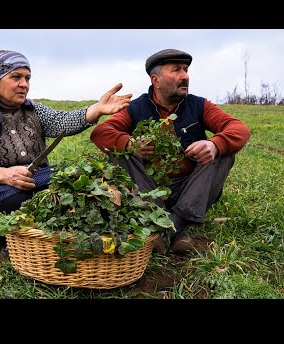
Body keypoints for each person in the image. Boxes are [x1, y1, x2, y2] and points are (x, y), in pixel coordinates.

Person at [0, 49, 131, 267]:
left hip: (35, 179)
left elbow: (62, 121)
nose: (24, 84)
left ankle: (24, 239)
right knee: (15, 199)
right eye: (15, 77)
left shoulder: (33, 110)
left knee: (72, 178)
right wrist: (4, 174)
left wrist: (97, 109)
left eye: (27, 78)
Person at [90, 48, 251, 255]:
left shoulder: (198, 105)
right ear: (156, 80)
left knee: (224, 152)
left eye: (185, 70)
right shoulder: (137, 108)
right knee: (118, 152)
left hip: (190, 189)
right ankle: (172, 226)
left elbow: (239, 129)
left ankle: (170, 226)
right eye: (176, 70)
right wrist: (130, 144)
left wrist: (214, 144)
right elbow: (100, 132)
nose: (184, 76)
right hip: (150, 191)